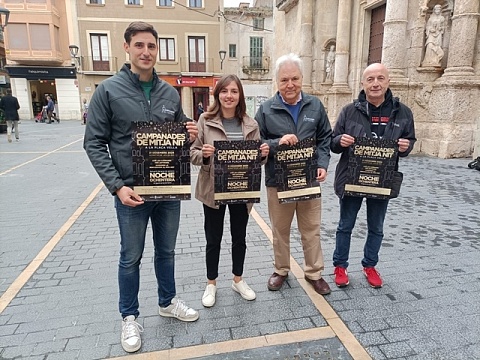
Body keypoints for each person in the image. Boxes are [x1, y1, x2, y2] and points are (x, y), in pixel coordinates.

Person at [83, 21, 199, 354]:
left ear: (156, 50)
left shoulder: (169, 93)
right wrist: (117, 187)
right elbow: (94, 143)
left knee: (166, 252)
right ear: (127, 48)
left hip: (168, 193)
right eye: (139, 45)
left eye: (151, 46)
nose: (146, 52)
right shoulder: (108, 91)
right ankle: (129, 317)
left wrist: (188, 134)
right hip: (131, 194)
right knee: (130, 257)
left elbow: (179, 140)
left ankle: (167, 301)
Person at [330, 63, 416, 289]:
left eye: (380, 78)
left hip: (382, 180)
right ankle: (340, 265)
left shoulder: (403, 112)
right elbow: (333, 142)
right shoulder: (349, 111)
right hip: (352, 178)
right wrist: (340, 141)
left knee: (376, 227)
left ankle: (369, 265)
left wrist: (406, 146)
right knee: (345, 225)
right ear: (363, 83)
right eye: (370, 79)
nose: (375, 83)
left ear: (388, 81)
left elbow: (409, 142)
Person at [255, 53, 333, 296]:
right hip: (277, 182)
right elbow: (257, 143)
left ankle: (314, 273)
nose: (290, 85)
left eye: (295, 79)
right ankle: (281, 270)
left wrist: (322, 163)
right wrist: (278, 142)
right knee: (280, 229)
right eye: (284, 79)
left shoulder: (315, 105)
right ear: (277, 81)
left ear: (302, 78)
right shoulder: (266, 109)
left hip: (308, 180)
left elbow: (325, 138)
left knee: (311, 228)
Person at [191, 75, 269, 308]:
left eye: (234, 91)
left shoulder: (250, 124)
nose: (229, 96)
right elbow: (192, 153)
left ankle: (238, 280)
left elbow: (256, 161)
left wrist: (263, 154)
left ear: (240, 95)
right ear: (218, 95)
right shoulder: (205, 120)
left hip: (241, 190)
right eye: (224, 91)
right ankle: (211, 283)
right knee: (213, 239)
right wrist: (203, 154)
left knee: (239, 238)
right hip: (212, 190)